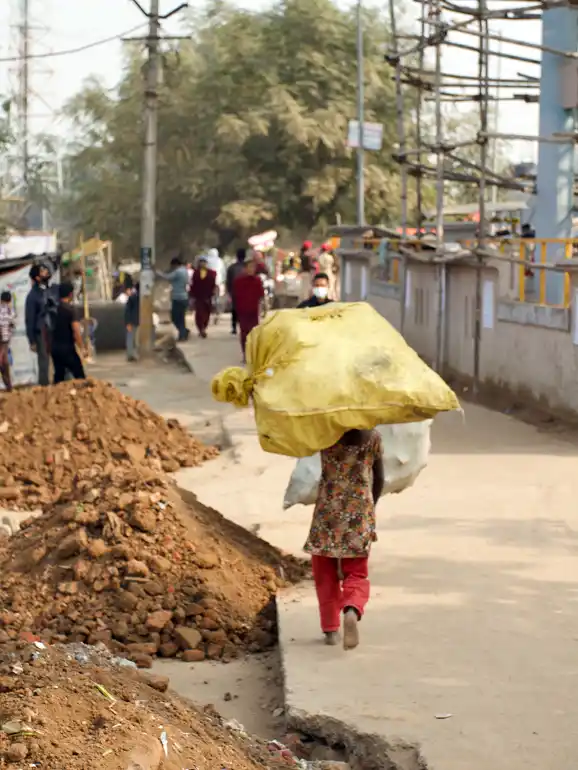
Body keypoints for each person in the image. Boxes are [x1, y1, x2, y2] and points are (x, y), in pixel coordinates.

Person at [304, 428, 384, 650]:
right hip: (359, 513)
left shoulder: (324, 433)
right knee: (356, 572)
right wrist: (369, 508)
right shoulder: (373, 437)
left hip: (327, 512)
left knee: (324, 572)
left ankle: (330, 629)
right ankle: (351, 608)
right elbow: (380, 479)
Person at [51, 281, 86, 384]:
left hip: (55, 348)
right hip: (67, 349)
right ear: (71, 294)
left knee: (59, 377)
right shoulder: (71, 310)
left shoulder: (53, 310)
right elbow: (76, 331)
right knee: (80, 376)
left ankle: (55, 398)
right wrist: (82, 348)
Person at [25, 263, 53, 386]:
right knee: (44, 360)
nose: (46, 272)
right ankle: (44, 388)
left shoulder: (48, 290)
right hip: (41, 331)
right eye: (42, 271)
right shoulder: (33, 296)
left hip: (53, 329)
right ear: (37, 277)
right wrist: (32, 340)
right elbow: (29, 319)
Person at [232, 259, 264, 362]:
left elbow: (261, 295)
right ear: (245, 269)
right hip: (242, 310)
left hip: (253, 311)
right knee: (244, 333)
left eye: (253, 267)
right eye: (249, 267)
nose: (251, 269)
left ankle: (253, 354)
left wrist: (263, 308)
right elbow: (235, 295)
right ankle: (246, 354)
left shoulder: (257, 280)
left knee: (254, 332)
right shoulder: (238, 281)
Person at [156, 257, 190, 342]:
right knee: (181, 317)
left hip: (177, 297)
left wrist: (158, 272)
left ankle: (183, 333)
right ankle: (184, 332)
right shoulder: (185, 271)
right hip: (184, 297)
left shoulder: (178, 272)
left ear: (175, 264)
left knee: (175, 317)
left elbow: (167, 277)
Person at [190, 257, 217, 338]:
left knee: (207, 313)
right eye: (201, 262)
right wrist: (192, 295)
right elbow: (193, 285)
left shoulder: (211, 273)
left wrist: (214, 293)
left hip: (208, 296)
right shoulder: (196, 273)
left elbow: (213, 284)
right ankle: (201, 328)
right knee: (199, 313)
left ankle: (204, 327)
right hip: (198, 296)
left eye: (204, 262)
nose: (203, 264)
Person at [226, 248, 247, 336]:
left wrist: (229, 291)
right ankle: (244, 325)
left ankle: (234, 327)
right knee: (245, 309)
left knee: (235, 309)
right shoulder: (247, 266)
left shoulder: (232, 267)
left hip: (235, 291)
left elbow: (228, 281)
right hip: (246, 291)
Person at [0, 291, 15, 392]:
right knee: (4, 363)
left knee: (3, 363)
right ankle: (9, 387)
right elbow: (12, 324)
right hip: (4, 340)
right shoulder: (10, 311)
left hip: (2, 339)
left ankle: (8, 386)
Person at [125, 279, 140, 362]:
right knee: (133, 338)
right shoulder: (136, 298)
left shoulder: (132, 297)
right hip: (135, 321)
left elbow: (127, 310)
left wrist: (127, 322)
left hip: (132, 320)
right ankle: (131, 355)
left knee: (131, 338)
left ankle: (131, 354)